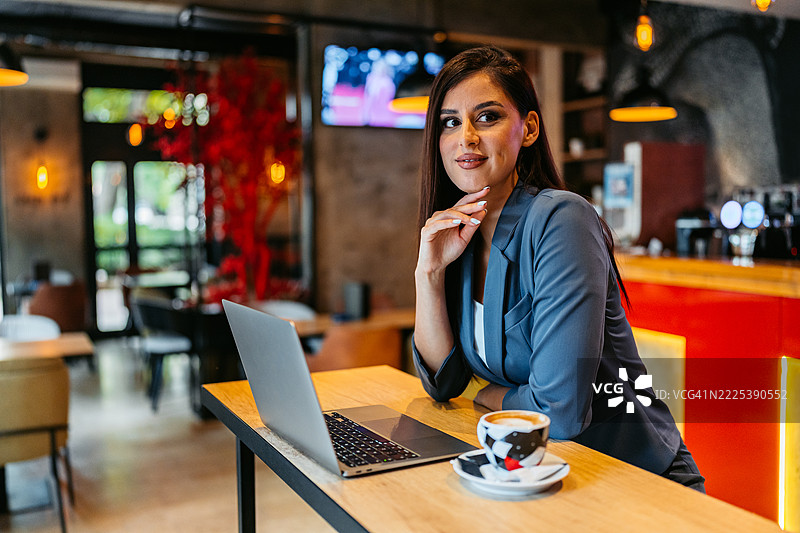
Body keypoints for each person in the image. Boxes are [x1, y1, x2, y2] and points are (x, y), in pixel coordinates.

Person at [412, 45, 704, 492]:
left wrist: (488, 395)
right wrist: (428, 273)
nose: (466, 137)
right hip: (541, 479)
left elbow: (559, 412)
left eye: (487, 117)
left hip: (635, 483)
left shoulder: (561, 220)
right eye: (450, 122)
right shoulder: (460, 239)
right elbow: (444, 382)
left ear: (528, 128)